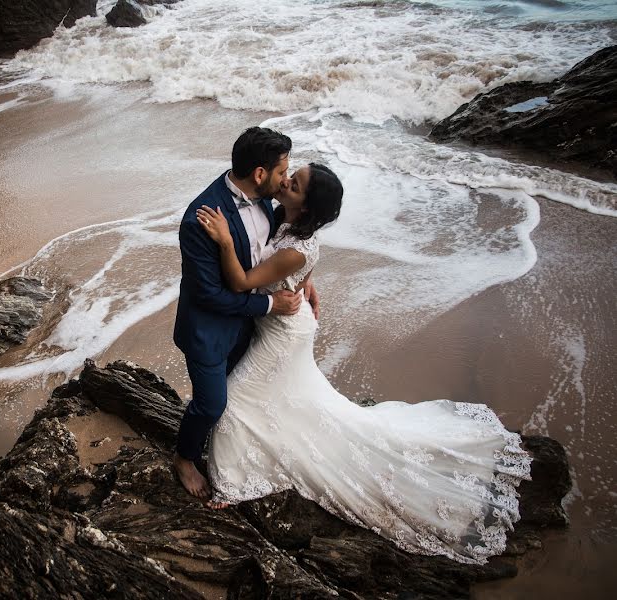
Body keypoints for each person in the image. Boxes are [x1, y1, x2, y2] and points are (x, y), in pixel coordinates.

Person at [195, 162, 532, 565]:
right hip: (285, 322)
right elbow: (299, 270)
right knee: (292, 397)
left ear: (307, 206)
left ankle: (232, 485)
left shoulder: (294, 245)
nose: (286, 181)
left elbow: (242, 283)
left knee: (234, 401)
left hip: (284, 333)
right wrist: (305, 285)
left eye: (296, 184)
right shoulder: (287, 222)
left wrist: (226, 243)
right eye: (292, 175)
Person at [172, 127, 319, 498]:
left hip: (251, 325)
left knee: (238, 397)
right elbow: (208, 296)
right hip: (209, 328)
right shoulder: (199, 221)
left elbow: (283, 250)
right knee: (212, 403)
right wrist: (271, 304)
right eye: (283, 172)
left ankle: (224, 446)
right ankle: (185, 458)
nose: (286, 179)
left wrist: (307, 280)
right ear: (259, 174)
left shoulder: (270, 204)